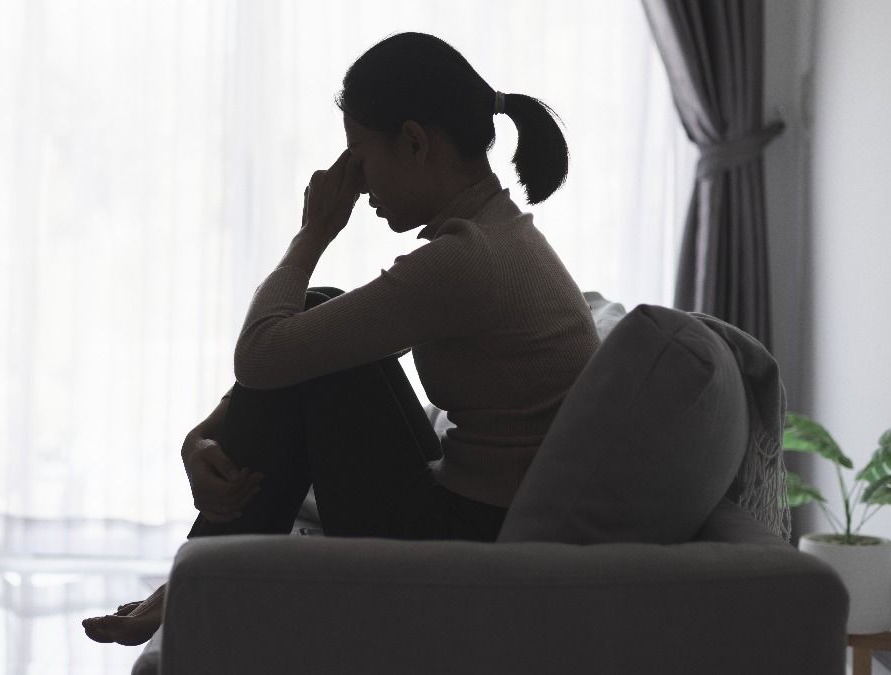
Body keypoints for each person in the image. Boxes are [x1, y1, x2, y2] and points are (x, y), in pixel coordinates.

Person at [83, 31, 600, 647]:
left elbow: (261, 355)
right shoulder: (497, 237)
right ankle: (193, 582)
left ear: (414, 142)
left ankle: (194, 585)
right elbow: (302, 349)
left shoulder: (463, 263)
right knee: (321, 313)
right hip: (481, 521)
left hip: (467, 549)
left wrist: (314, 233)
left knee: (307, 331)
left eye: (359, 153)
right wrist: (207, 431)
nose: (353, 180)